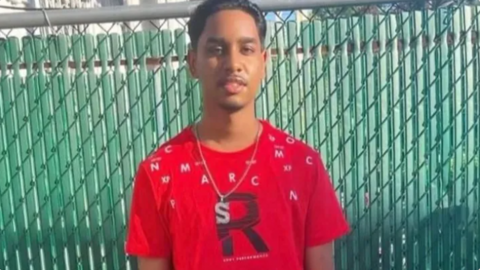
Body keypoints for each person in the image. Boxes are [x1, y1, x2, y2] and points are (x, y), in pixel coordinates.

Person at [124, 0, 350, 269]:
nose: (233, 63)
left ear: (263, 62)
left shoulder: (303, 165)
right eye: (217, 50)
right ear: (193, 63)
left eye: (246, 49)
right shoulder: (158, 174)